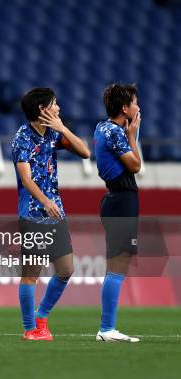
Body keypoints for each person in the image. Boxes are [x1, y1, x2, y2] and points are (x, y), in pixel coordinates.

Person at [11, 87, 91, 341]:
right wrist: (45, 201)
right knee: (31, 274)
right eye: (55, 104)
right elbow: (26, 178)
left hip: (55, 211)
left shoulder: (54, 135)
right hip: (34, 213)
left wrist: (64, 128)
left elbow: (85, 152)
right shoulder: (22, 138)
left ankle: (41, 316)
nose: (59, 108)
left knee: (66, 269)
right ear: (42, 109)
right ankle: (30, 329)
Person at [93, 83, 142, 342]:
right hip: (122, 200)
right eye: (134, 102)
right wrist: (133, 135)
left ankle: (107, 327)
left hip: (115, 199)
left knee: (116, 265)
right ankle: (107, 328)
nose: (138, 107)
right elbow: (135, 165)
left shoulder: (103, 127)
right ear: (125, 108)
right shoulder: (116, 132)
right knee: (117, 266)